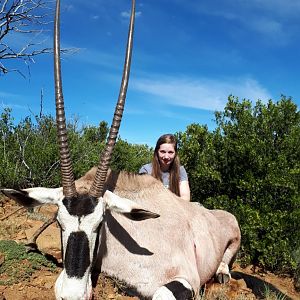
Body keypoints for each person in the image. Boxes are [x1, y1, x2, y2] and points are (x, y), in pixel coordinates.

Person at [139, 133, 191, 201]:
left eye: (170, 152)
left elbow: (185, 198)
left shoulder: (180, 170)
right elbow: (143, 197)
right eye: (162, 152)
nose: (166, 157)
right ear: (157, 152)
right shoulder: (146, 170)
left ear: (175, 153)